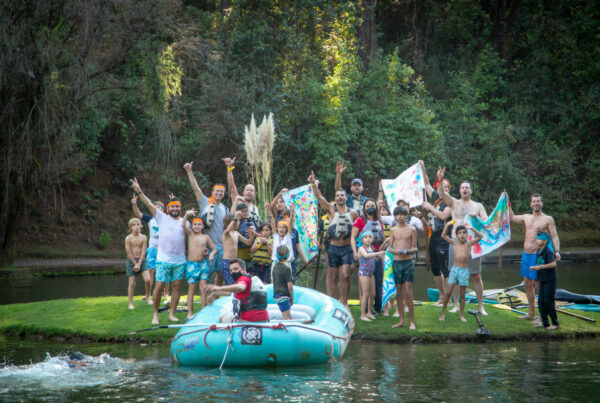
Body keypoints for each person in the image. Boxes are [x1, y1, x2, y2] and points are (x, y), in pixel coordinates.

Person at [130, 178, 186, 325]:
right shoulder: (161, 218)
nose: (175, 209)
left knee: (176, 287)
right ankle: (155, 314)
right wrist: (139, 190)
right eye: (172, 207)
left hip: (180, 261)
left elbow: (193, 236)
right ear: (168, 208)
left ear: (180, 208)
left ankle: (171, 314)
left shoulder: (184, 221)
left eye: (177, 207)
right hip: (163, 260)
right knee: (159, 285)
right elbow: (148, 204)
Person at [438, 172, 489, 315]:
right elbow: (442, 194)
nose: (464, 189)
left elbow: (487, 223)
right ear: (459, 190)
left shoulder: (478, 206)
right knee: (454, 274)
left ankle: (481, 306)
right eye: (462, 188)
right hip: (455, 241)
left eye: (467, 188)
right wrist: (440, 180)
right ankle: (455, 305)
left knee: (476, 275)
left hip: (471, 243)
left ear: (471, 190)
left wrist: (477, 217)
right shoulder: (454, 202)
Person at [508, 193, 561, 321]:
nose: (536, 203)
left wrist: (557, 251)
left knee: (539, 286)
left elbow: (554, 236)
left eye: (538, 201)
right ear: (530, 204)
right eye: (534, 201)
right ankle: (531, 313)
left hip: (538, 255)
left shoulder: (548, 219)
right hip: (526, 255)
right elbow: (512, 217)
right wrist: (507, 202)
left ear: (542, 203)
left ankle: (542, 316)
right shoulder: (526, 217)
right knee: (527, 284)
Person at [309, 170, 358, 306]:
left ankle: (344, 302)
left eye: (342, 195)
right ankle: (335, 303)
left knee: (346, 275)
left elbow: (358, 231)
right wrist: (313, 184)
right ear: (335, 198)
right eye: (338, 195)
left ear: (346, 198)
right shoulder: (330, 209)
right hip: (332, 248)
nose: (340, 197)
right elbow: (319, 197)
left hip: (347, 248)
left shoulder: (353, 213)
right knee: (334, 277)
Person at [183, 161, 230, 286]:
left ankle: (215, 295)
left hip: (222, 247)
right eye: (217, 191)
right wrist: (189, 171)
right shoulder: (205, 202)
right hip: (207, 246)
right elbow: (195, 187)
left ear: (224, 194)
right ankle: (205, 296)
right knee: (206, 274)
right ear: (213, 192)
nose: (219, 193)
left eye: (221, 191)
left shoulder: (226, 209)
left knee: (220, 274)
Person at [419, 161, 453, 306]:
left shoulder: (450, 202)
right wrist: (423, 169)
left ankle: (449, 299)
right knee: (435, 268)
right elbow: (426, 184)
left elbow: (443, 216)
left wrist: (429, 207)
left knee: (445, 269)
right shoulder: (435, 197)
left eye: (446, 187)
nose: (443, 189)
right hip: (432, 237)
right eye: (441, 186)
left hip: (444, 238)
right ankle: (442, 296)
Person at [439, 222, 483, 322]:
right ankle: (443, 313)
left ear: (466, 234)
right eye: (459, 233)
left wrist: (471, 228)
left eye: (464, 232)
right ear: (457, 235)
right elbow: (443, 236)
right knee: (448, 292)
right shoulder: (454, 243)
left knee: (462, 294)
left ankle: (461, 315)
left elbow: (480, 236)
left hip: (464, 271)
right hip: (454, 270)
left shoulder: (469, 244)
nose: (462, 235)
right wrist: (447, 225)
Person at [351, 199, 386, 314]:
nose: (370, 207)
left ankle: (378, 307)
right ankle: (365, 309)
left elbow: (383, 238)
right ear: (364, 208)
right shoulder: (360, 220)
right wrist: (355, 252)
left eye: (372, 205)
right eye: (368, 206)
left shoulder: (379, 221)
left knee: (378, 283)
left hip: (377, 256)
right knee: (365, 285)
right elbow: (353, 237)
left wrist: (382, 252)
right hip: (365, 256)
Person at [131, 196, 168, 303]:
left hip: (164, 249)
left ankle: (166, 293)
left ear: (162, 210)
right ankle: (148, 294)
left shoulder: (166, 218)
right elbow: (138, 214)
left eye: (158, 207)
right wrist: (134, 204)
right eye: (154, 207)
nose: (156, 209)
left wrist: (173, 199)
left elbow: (175, 214)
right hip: (152, 249)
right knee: (151, 271)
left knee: (165, 270)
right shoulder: (150, 219)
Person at [181, 209, 216, 319]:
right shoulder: (190, 234)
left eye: (199, 224)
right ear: (192, 226)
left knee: (203, 289)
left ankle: (204, 311)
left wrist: (211, 254)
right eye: (195, 224)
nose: (197, 226)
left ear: (203, 226)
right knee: (191, 289)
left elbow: (214, 249)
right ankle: (189, 312)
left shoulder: (206, 237)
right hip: (192, 265)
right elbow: (183, 224)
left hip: (203, 265)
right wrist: (186, 214)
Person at [388, 206, 418, 330]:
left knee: (408, 292)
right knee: (398, 293)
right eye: (397, 215)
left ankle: (412, 321)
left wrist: (407, 251)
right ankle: (401, 320)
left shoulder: (412, 229)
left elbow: (415, 248)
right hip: (396, 262)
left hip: (408, 262)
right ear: (395, 216)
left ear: (406, 216)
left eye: (401, 214)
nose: (399, 217)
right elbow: (390, 248)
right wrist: (397, 251)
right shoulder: (393, 230)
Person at [530, 232, 559, 329]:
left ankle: (555, 323)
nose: (537, 240)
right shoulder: (539, 251)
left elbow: (553, 264)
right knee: (541, 302)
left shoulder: (548, 251)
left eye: (539, 239)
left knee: (548, 301)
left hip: (550, 280)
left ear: (545, 241)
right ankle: (545, 323)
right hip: (542, 279)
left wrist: (539, 267)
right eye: (537, 238)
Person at [357, 231, 386, 321]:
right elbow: (366, 256)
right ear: (362, 239)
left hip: (371, 273)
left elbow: (373, 260)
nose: (368, 239)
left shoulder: (372, 248)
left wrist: (379, 256)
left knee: (373, 294)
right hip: (364, 273)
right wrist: (378, 253)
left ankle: (369, 312)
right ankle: (363, 315)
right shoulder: (361, 248)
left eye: (370, 237)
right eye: (366, 237)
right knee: (365, 294)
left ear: (372, 239)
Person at [222, 157, 262, 223]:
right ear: (243, 192)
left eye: (251, 190)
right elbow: (232, 185)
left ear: (254, 194)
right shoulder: (238, 201)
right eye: (247, 190)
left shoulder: (255, 208)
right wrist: (229, 167)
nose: (249, 192)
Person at [222, 211, 255, 285]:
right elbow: (228, 230)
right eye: (238, 221)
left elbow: (248, 242)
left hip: (235, 261)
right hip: (226, 261)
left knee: (236, 282)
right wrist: (235, 217)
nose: (239, 223)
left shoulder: (237, 233)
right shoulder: (226, 233)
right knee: (229, 283)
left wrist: (252, 233)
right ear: (232, 222)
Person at [124, 217, 150, 309]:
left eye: (138, 224)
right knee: (131, 283)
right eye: (134, 225)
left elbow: (143, 251)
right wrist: (135, 263)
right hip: (131, 261)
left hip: (142, 261)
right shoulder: (128, 238)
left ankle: (148, 296)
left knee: (148, 280)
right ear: (130, 227)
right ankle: (130, 303)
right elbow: (129, 252)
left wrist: (139, 264)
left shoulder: (144, 237)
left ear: (140, 226)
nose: (136, 226)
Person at [271, 245, 294, 320]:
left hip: (277, 295)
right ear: (288, 256)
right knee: (287, 318)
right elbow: (290, 286)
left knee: (289, 317)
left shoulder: (275, 266)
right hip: (283, 296)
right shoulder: (286, 269)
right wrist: (291, 298)